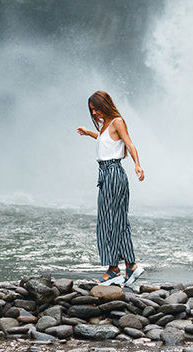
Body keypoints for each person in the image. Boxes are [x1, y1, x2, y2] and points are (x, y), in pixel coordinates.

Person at [75, 90, 145, 285]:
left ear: (105, 105)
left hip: (112, 172)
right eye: (92, 110)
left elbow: (129, 144)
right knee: (118, 220)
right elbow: (106, 143)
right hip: (108, 173)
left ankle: (113, 270)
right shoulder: (106, 125)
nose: (94, 113)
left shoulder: (117, 121)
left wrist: (137, 165)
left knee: (107, 222)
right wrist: (89, 133)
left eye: (96, 108)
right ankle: (131, 266)